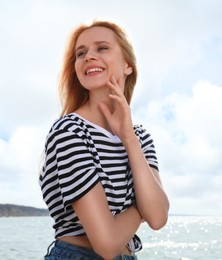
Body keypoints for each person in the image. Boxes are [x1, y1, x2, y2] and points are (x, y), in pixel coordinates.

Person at [39, 20, 169, 260]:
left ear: (127, 65)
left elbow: (159, 217)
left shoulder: (140, 137)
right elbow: (107, 244)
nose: (89, 56)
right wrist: (142, 208)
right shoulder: (69, 131)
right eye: (81, 53)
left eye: (102, 48)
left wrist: (128, 138)